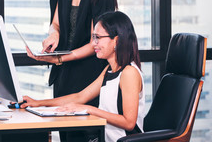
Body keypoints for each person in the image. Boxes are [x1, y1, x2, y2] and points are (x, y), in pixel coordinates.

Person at [22, 11, 145, 142]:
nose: (94, 43)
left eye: (98, 37)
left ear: (116, 40)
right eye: (93, 37)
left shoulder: (129, 73)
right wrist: (37, 103)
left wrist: (89, 109)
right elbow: (80, 97)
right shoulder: (109, 70)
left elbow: (129, 123)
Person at [27, 0, 118, 108]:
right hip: (64, 72)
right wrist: (53, 35)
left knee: (82, 131)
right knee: (63, 128)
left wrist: (60, 59)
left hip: (88, 74)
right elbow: (56, 24)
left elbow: (96, 43)